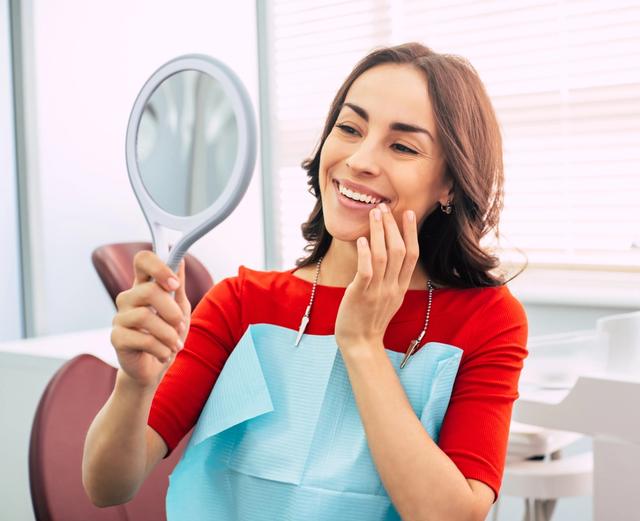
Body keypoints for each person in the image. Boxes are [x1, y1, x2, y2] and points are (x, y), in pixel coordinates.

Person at [83, 42, 528, 521]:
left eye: (402, 145)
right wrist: (133, 385)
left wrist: (360, 342)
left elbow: (449, 516)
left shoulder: (488, 321)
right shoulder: (241, 303)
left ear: (450, 184)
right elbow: (107, 485)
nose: (359, 160)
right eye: (349, 128)